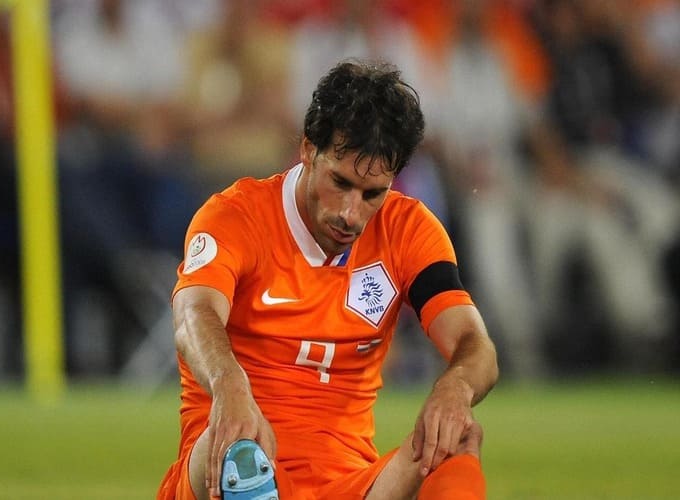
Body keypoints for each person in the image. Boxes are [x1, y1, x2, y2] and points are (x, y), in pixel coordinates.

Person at [158, 59, 499, 499]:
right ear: (308, 149)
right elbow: (194, 313)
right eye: (340, 183)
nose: (350, 214)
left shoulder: (409, 230)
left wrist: (455, 387)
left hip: (349, 483)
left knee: (457, 436)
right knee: (237, 452)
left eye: (372, 194)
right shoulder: (236, 216)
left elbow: (475, 344)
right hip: (231, 463)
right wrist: (229, 385)